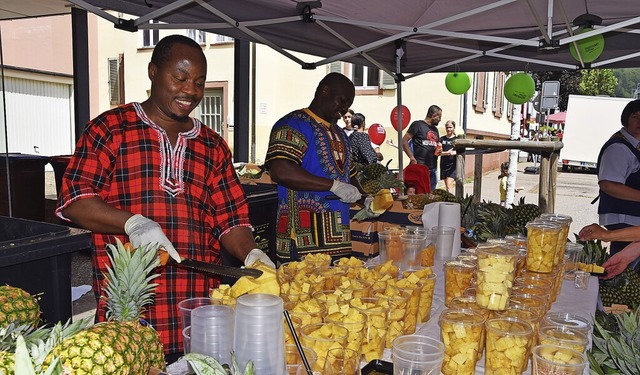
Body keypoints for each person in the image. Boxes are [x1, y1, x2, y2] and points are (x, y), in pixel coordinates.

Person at [55, 35, 274, 359]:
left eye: (199, 82)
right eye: (180, 78)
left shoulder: (213, 145)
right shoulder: (110, 129)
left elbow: (231, 218)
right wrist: (133, 223)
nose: (191, 91)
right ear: (153, 71)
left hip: (198, 310)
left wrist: (251, 253)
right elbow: (75, 199)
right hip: (131, 314)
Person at [265, 72, 361, 263]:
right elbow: (281, 170)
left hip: (339, 238)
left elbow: (349, 175)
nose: (344, 109)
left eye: (348, 105)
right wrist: (333, 185)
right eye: (341, 101)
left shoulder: (341, 134)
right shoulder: (292, 124)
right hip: (302, 241)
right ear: (324, 91)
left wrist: (365, 198)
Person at [595, 99, 640, 257]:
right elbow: (608, 185)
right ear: (626, 119)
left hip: (632, 221)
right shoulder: (619, 148)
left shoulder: (634, 146)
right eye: (635, 116)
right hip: (626, 218)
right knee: (625, 268)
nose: (639, 120)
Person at [402, 105, 442, 192]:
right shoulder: (417, 125)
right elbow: (404, 141)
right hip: (420, 166)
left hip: (433, 167)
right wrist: (411, 157)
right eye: (439, 117)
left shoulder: (435, 130)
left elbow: (435, 145)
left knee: (431, 195)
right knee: (421, 194)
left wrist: (439, 150)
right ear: (433, 115)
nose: (440, 120)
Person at [439, 120, 457, 193]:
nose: (448, 129)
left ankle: (450, 202)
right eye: (447, 127)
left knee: (449, 185)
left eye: (450, 127)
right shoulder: (442, 139)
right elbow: (438, 153)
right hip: (444, 165)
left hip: (453, 165)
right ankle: (450, 200)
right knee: (447, 186)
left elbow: (459, 151)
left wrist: (454, 152)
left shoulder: (457, 139)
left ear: (454, 128)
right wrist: (447, 153)